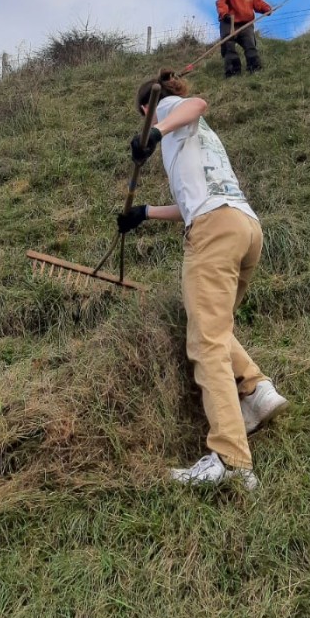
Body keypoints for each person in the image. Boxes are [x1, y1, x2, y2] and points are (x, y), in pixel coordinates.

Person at [119, 69, 287, 489]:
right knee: (214, 327)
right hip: (244, 226)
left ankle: (231, 461)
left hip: (214, 231)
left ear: (145, 108)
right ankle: (256, 391)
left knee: (205, 342)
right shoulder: (197, 139)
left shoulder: (173, 110)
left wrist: (153, 132)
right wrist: (144, 214)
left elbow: (197, 103)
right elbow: (189, 201)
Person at [216, 0, 272, 76]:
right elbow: (221, 3)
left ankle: (255, 70)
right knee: (228, 46)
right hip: (229, 22)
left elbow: (258, 3)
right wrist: (224, 14)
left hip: (245, 23)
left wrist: (266, 9)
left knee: (250, 46)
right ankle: (233, 73)